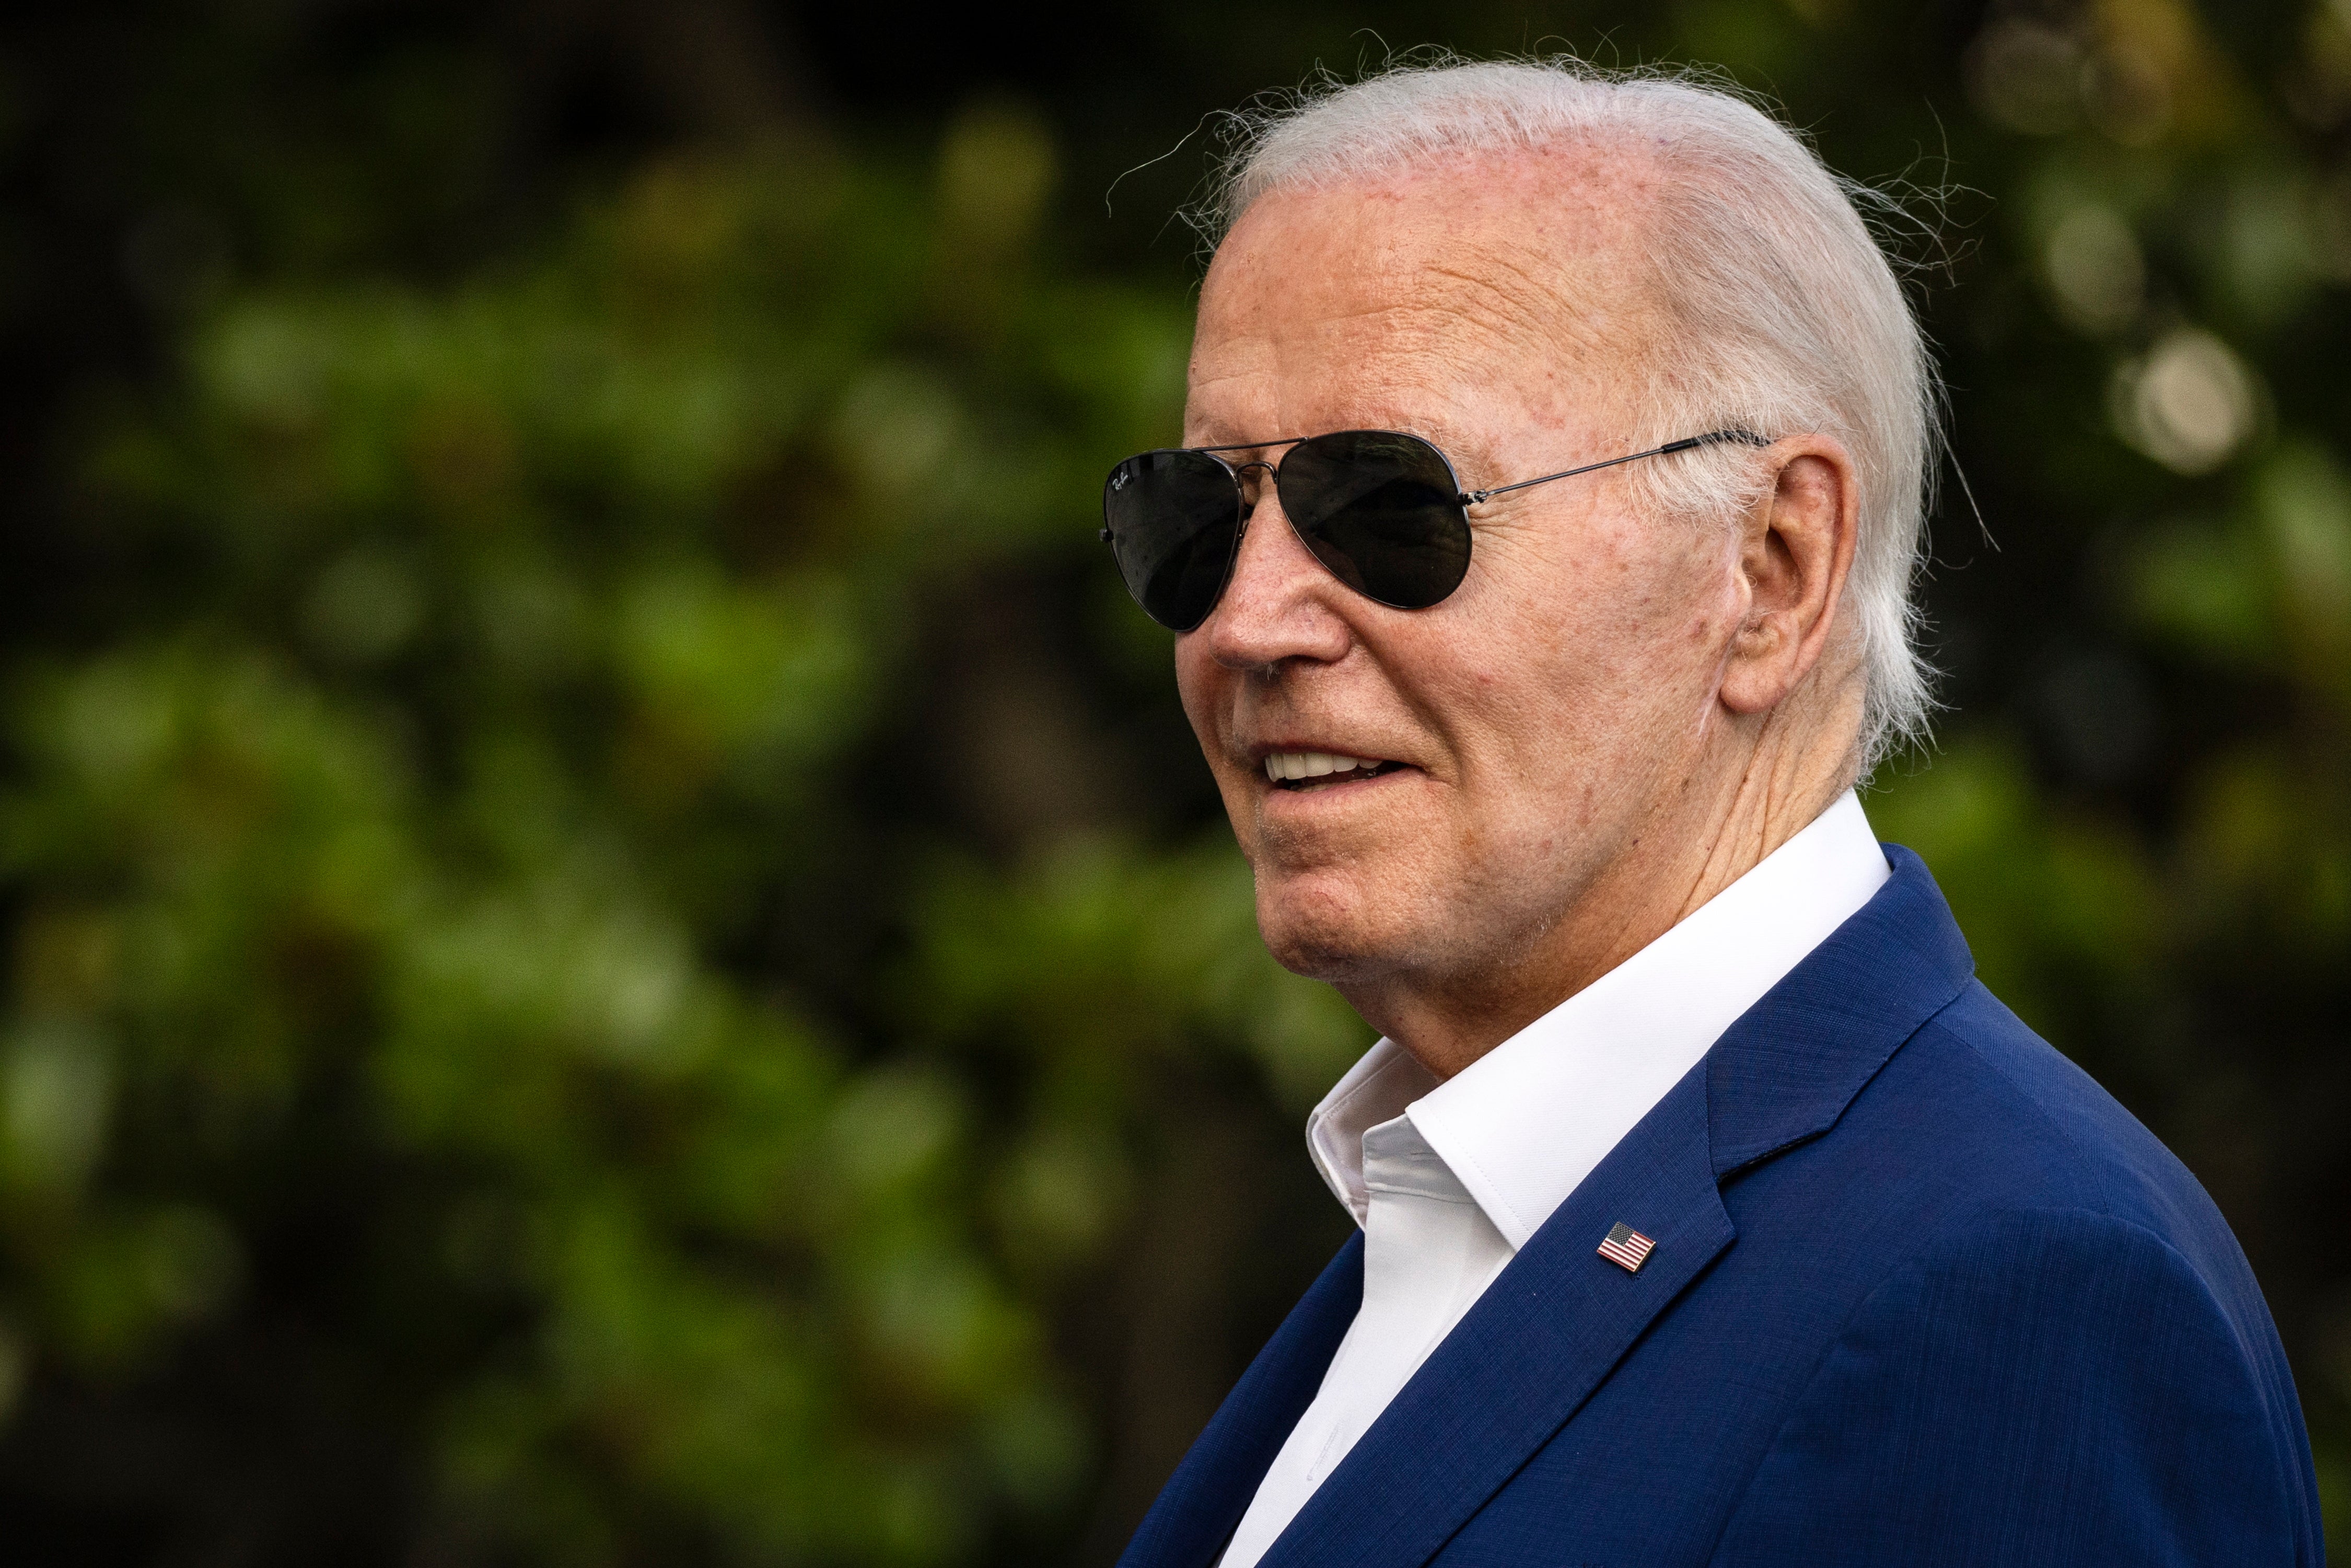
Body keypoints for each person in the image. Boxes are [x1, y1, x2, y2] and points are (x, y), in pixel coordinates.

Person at [1094, 58, 2323, 1568]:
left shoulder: (2010, 1293)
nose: (1246, 623)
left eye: (1389, 506)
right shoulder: (1474, 1210)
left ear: (1772, 568)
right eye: (1199, 515)